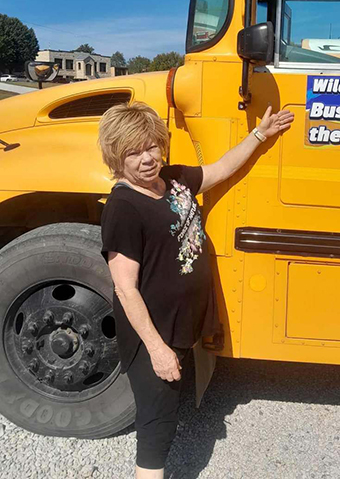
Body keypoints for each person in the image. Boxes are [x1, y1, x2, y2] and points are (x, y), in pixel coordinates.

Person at [98, 101, 294, 478]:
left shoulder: (171, 179)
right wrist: (157, 351)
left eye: (152, 146)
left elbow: (219, 169)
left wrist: (260, 135)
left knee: (165, 412)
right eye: (133, 153)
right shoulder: (123, 207)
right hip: (154, 333)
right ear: (116, 158)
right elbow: (125, 289)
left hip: (180, 325)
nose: (147, 159)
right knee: (158, 425)